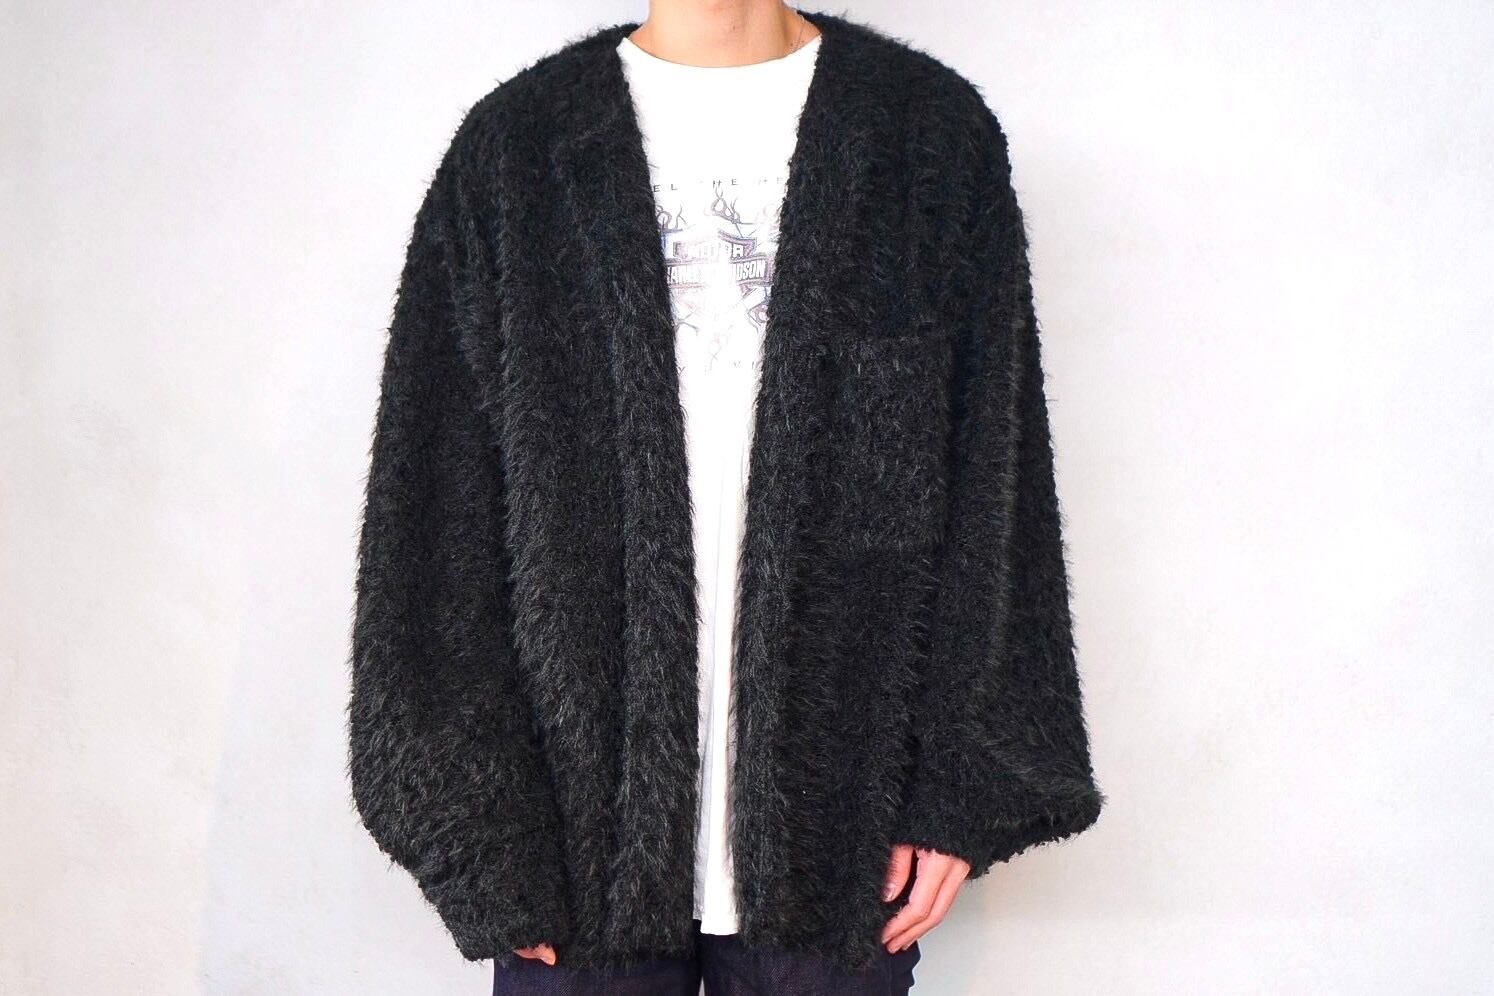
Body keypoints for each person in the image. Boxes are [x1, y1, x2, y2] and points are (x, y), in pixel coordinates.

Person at [348, 3, 1104, 994]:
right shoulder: (517, 151)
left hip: (843, 841)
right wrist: (473, 827)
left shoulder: (926, 135)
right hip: (571, 848)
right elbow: (432, 514)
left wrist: (961, 786)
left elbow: (993, 480)